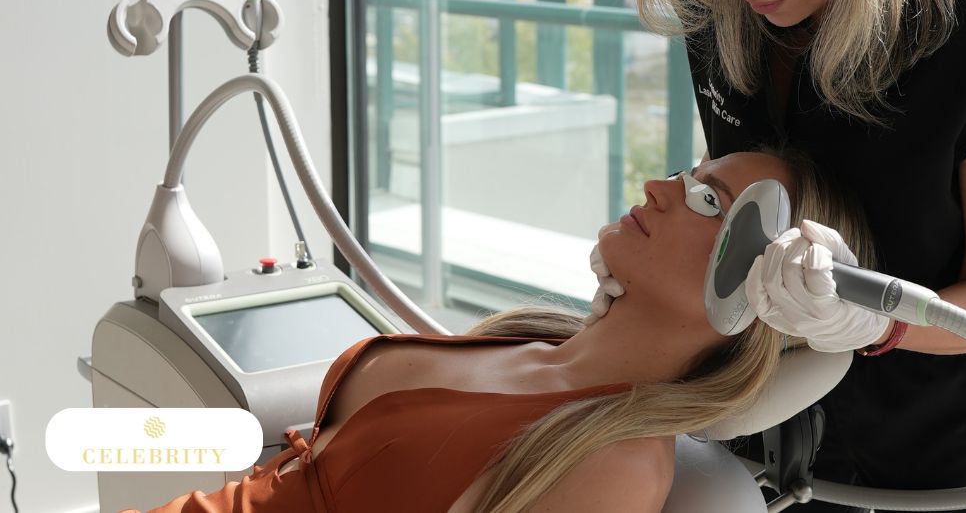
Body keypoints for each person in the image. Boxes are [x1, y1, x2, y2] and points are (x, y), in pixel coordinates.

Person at [612, 0, 966, 512]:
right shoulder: (720, 4)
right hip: (772, 398)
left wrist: (876, 321)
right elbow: (748, 185)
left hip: (941, 428)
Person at [127, 150, 875, 513]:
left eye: (709, 200)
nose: (659, 187)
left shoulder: (611, 462)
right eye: (687, 172)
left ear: (757, 292)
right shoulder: (531, 339)